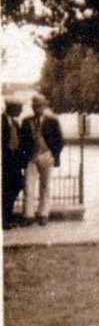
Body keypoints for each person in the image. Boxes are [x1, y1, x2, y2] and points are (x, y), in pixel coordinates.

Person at [20, 94, 64, 226]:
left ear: (44, 106)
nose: (36, 108)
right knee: (28, 186)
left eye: (39, 105)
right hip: (31, 157)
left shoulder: (53, 121)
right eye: (34, 105)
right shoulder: (26, 121)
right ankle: (28, 215)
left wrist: (53, 155)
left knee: (45, 186)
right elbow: (23, 141)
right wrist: (24, 157)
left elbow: (60, 141)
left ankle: (43, 213)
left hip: (46, 155)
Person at [2, 98, 26, 230]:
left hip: (14, 163)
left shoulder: (15, 123)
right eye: (19, 108)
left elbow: (20, 143)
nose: (21, 111)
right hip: (5, 162)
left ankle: (8, 217)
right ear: (11, 108)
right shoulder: (1, 122)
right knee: (6, 191)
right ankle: (5, 220)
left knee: (16, 186)